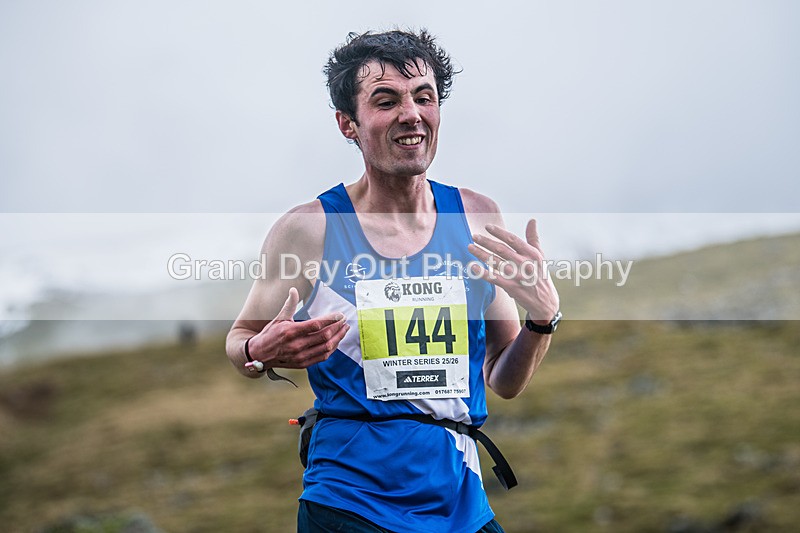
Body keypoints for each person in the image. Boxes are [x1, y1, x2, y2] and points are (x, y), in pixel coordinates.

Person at [225, 29, 560, 533]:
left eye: (424, 97)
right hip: (349, 501)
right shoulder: (309, 228)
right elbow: (239, 341)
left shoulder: (476, 216)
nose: (411, 113)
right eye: (386, 101)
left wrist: (543, 318)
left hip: (460, 506)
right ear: (348, 124)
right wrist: (259, 351)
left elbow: (503, 379)